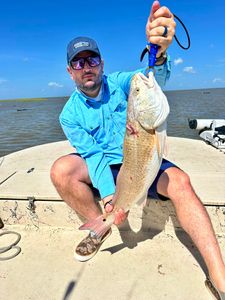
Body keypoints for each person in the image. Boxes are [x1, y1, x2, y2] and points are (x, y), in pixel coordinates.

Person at [50, 1, 225, 298]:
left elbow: (152, 75)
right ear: (70, 72)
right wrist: (110, 198)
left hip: (141, 157)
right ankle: (101, 228)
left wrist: (158, 50)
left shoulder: (122, 83)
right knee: (61, 170)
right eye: (78, 63)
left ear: (102, 64)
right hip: (108, 165)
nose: (86, 68)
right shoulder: (69, 114)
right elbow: (92, 156)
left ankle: (220, 278)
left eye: (91, 60)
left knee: (181, 183)